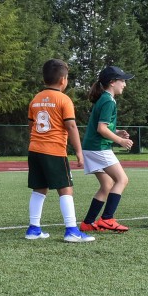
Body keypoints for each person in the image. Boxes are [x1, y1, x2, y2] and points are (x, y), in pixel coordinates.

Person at [26, 59, 94, 242]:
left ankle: (33, 228)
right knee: (66, 189)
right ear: (63, 80)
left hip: (35, 150)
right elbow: (71, 126)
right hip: (54, 150)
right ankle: (71, 230)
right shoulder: (64, 99)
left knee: (39, 189)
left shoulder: (36, 98)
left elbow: (30, 125)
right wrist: (79, 152)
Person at [79, 65, 134, 233]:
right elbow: (101, 129)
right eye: (122, 81)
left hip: (91, 147)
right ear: (112, 82)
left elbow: (103, 126)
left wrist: (117, 131)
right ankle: (107, 219)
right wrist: (120, 141)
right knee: (122, 180)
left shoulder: (104, 98)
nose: (124, 84)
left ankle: (88, 223)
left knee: (107, 184)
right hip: (98, 148)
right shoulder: (108, 101)